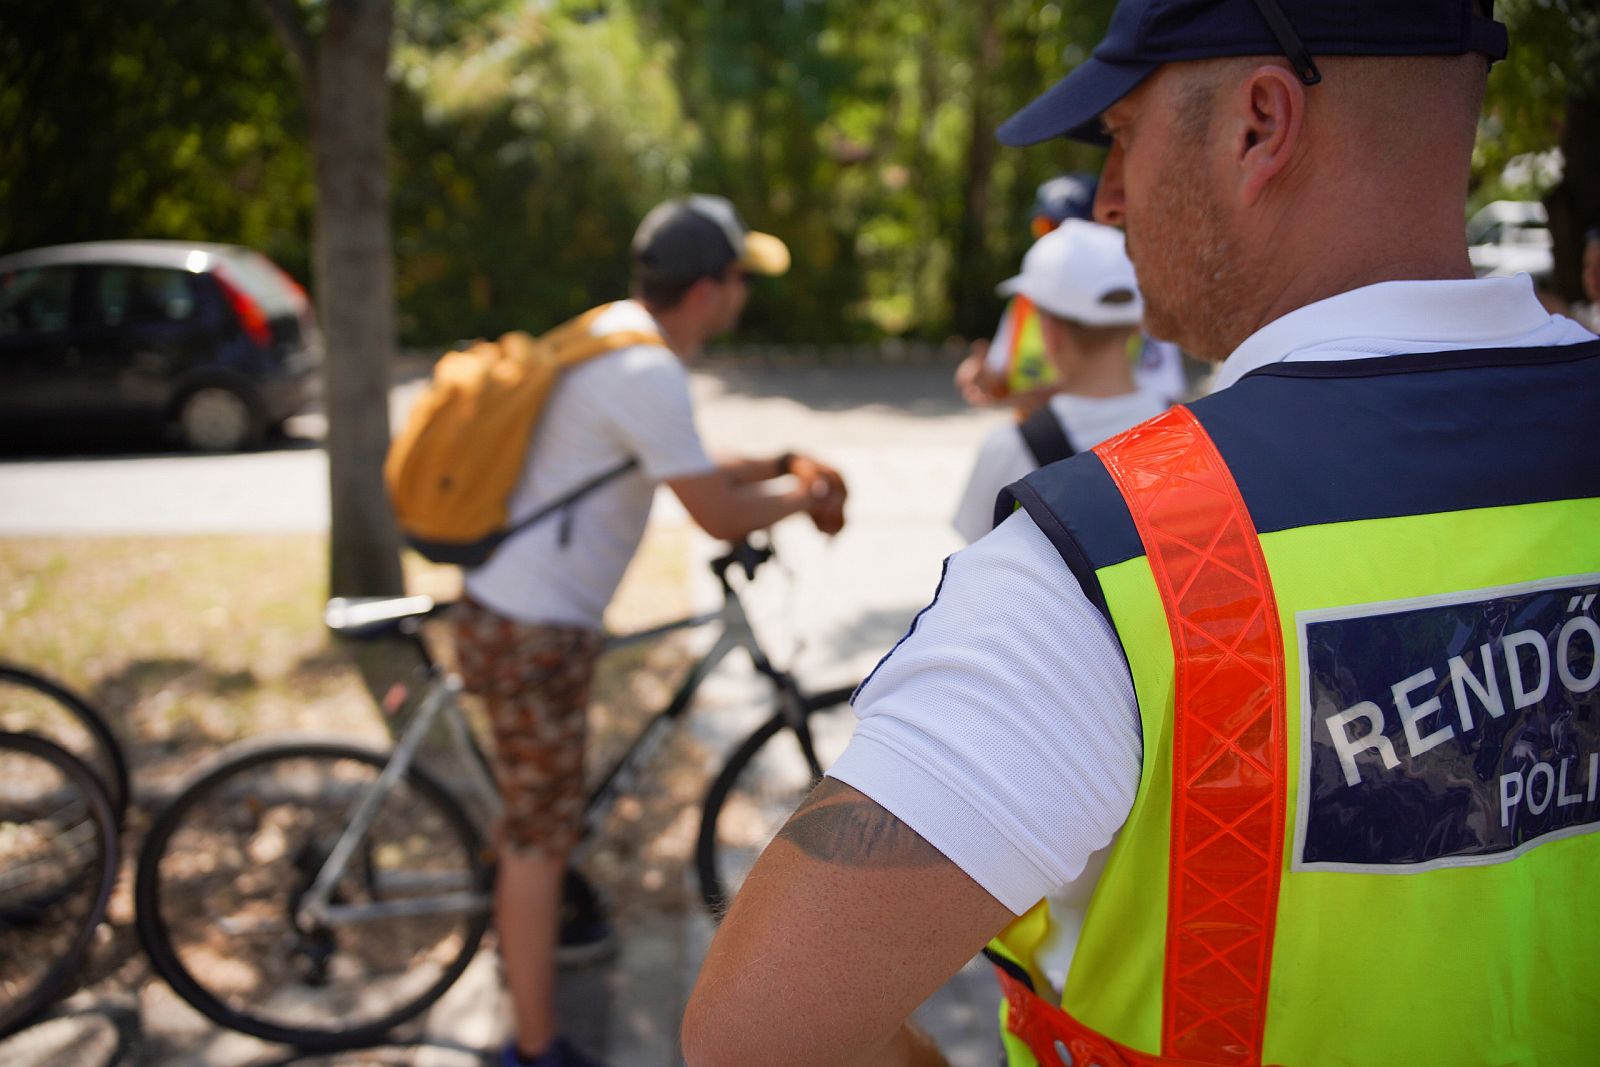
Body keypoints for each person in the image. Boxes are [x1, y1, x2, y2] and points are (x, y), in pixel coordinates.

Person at [683, 3, 1600, 1067]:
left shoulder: (1116, 557)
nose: (1109, 197)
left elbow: (755, 1036)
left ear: (1260, 124)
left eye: (1122, 134)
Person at [453, 193, 846, 1067]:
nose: (744, 295)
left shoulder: (617, 336)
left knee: (542, 817)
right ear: (709, 289)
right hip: (531, 630)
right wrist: (805, 494)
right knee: (537, 840)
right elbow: (716, 512)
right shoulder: (645, 370)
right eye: (742, 279)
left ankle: (559, 916)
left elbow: (688, 464)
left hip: (516, 613)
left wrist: (781, 464)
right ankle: (534, 1046)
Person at [951, 218, 1167, 543]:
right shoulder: (1190, 437)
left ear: (1048, 331)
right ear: (1138, 323)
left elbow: (974, 554)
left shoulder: (1008, 449)